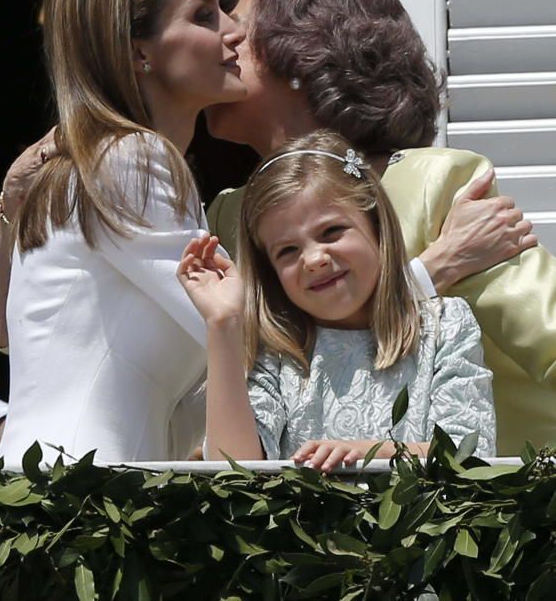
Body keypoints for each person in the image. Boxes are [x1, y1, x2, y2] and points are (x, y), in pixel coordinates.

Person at [203, 0, 556, 455]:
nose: (215, 45)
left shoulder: (433, 183)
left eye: (236, 37)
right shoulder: (225, 214)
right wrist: (431, 271)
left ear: (301, 57)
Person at [0, 0, 247, 466]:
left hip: (68, 490)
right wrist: (420, 275)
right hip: (84, 496)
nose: (235, 30)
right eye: (204, 15)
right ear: (138, 51)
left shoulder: (103, 162)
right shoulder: (131, 161)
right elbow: (243, 319)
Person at [178, 131, 496, 469]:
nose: (314, 259)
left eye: (331, 232)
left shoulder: (444, 325)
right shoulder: (274, 349)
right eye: (288, 251)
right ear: (269, 271)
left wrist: (368, 455)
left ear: (375, 225)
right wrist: (224, 323)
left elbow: (470, 453)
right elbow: (234, 471)